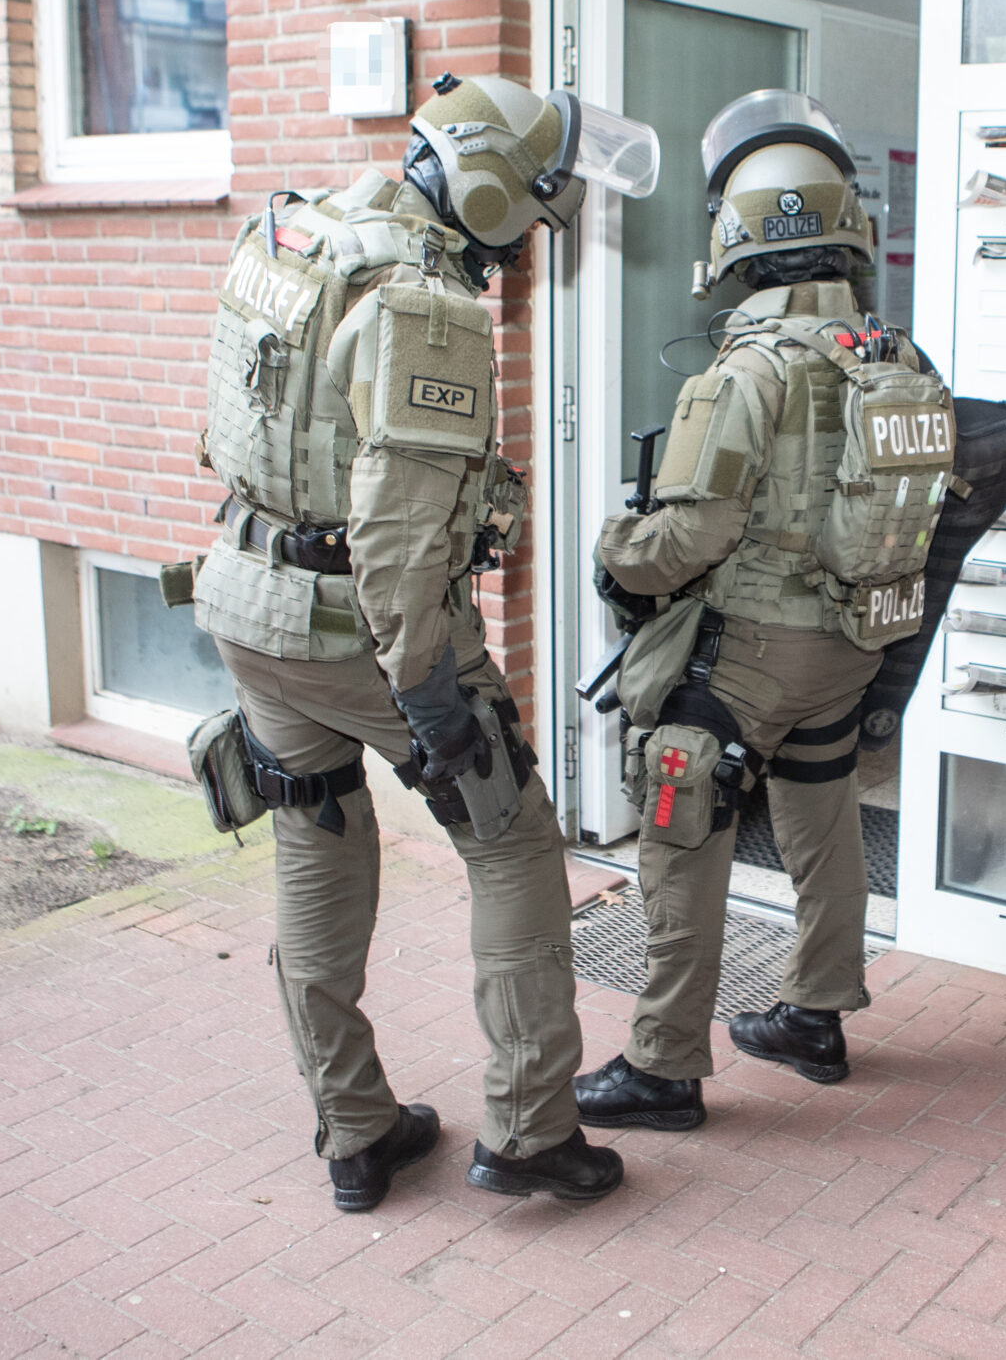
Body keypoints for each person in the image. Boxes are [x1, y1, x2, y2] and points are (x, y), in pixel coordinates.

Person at [187, 74, 656, 1208]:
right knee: (512, 847)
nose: (534, 242)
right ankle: (533, 1131)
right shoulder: (426, 308)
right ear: (491, 191)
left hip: (249, 608)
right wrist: (433, 693)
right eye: (535, 214)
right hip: (365, 630)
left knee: (315, 836)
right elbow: (398, 541)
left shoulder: (302, 231)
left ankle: (354, 1131)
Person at [573, 91, 954, 1131]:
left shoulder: (746, 371)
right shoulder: (896, 360)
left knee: (677, 831)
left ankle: (660, 1067)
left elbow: (689, 538)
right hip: (853, 641)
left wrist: (616, 553)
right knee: (822, 819)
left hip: (748, 656)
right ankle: (818, 1016)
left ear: (735, 239)